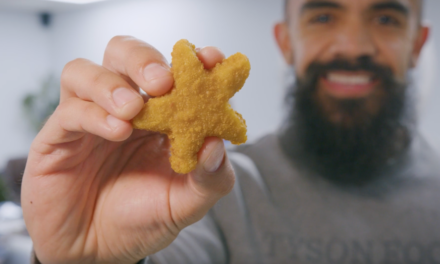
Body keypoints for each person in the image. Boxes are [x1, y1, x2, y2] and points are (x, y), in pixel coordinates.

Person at [22, 0, 440, 263]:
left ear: (419, 43)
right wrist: (81, 259)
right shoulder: (214, 191)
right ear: (285, 42)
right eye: (324, 15)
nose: (353, 44)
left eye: (386, 17)